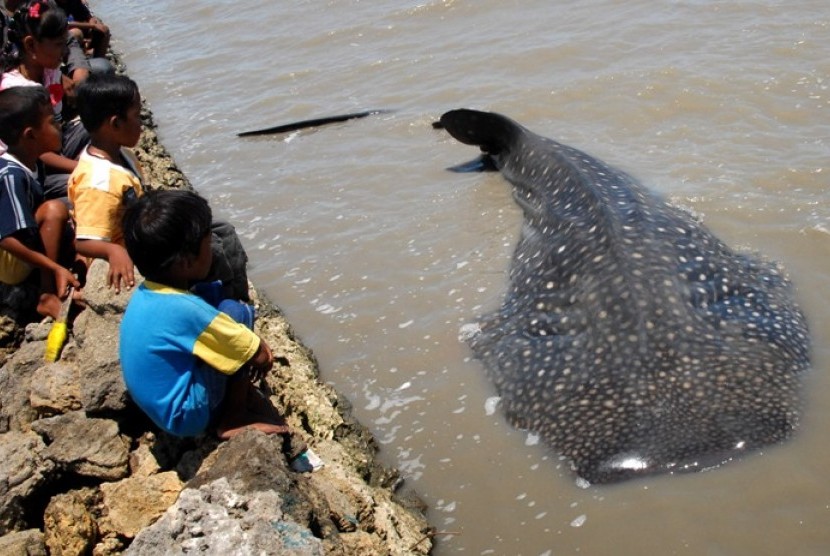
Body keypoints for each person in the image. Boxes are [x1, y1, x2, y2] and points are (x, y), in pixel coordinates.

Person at [119, 189, 288, 439]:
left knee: (212, 295)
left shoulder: (149, 293)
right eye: (208, 243)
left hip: (158, 408)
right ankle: (234, 417)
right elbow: (258, 354)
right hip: (185, 417)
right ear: (186, 261)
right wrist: (260, 352)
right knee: (236, 312)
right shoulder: (184, 309)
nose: (213, 247)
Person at [69, 72, 251, 298]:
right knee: (212, 246)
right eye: (136, 116)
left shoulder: (121, 155)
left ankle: (232, 292)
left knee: (223, 231)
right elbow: (84, 241)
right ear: (115, 123)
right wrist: (113, 250)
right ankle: (227, 299)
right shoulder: (99, 182)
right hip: (141, 251)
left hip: (144, 236)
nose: (142, 124)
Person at [0, 85, 79, 318]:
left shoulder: (31, 162)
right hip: (10, 264)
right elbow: (6, 240)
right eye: (53, 122)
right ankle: (46, 294)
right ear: (30, 135)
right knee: (54, 210)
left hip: (25, 246)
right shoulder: (11, 176)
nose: (59, 127)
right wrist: (54, 267)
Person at [1, 0, 90, 199]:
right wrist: (82, 167)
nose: (64, 52)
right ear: (31, 45)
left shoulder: (50, 69)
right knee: (89, 182)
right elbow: (38, 152)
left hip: (53, 144)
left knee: (97, 122)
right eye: (59, 45)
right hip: (32, 169)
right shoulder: (17, 92)